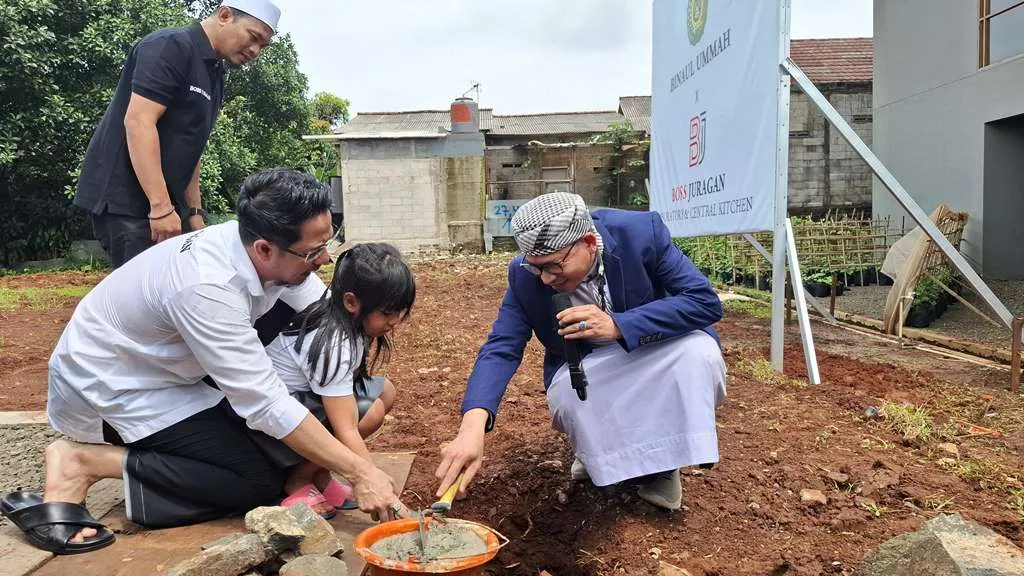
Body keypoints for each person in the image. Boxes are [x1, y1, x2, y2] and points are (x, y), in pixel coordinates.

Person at [0, 169, 405, 556]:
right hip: (117, 384)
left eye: (327, 246)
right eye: (313, 252)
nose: (323, 262)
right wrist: (360, 472)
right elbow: (265, 404)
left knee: (269, 460)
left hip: (176, 373)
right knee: (253, 484)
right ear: (264, 247)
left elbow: (324, 314)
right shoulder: (207, 287)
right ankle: (83, 461)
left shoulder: (254, 247)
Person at [435, 192, 727, 511]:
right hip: (584, 364)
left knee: (699, 353)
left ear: (589, 242)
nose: (545, 279)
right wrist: (472, 426)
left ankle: (663, 469)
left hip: (650, 348)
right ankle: (595, 454)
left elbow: (703, 301)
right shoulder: (524, 275)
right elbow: (501, 347)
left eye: (552, 266)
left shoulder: (640, 234)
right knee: (568, 394)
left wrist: (619, 325)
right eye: (536, 268)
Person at [73, 0, 280, 268]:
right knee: (143, 297)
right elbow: (138, 122)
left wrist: (194, 213)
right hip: (130, 202)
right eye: (253, 38)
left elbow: (193, 146)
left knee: (174, 291)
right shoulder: (170, 46)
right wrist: (159, 208)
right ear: (225, 15)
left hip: (167, 205)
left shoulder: (214, 73)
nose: (255, 51)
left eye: (263, 46)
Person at [257, 242, 413, 519]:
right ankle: (297, 479)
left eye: (400, 312)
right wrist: (370, 480)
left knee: (384, 391)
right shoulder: (334, 342)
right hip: (278, 421)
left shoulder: (346, 318)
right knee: (371, 412)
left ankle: (319, 474)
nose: (395, 321)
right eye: (387, 313)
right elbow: (346, 429)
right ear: (352, 302)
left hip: (308, 400)